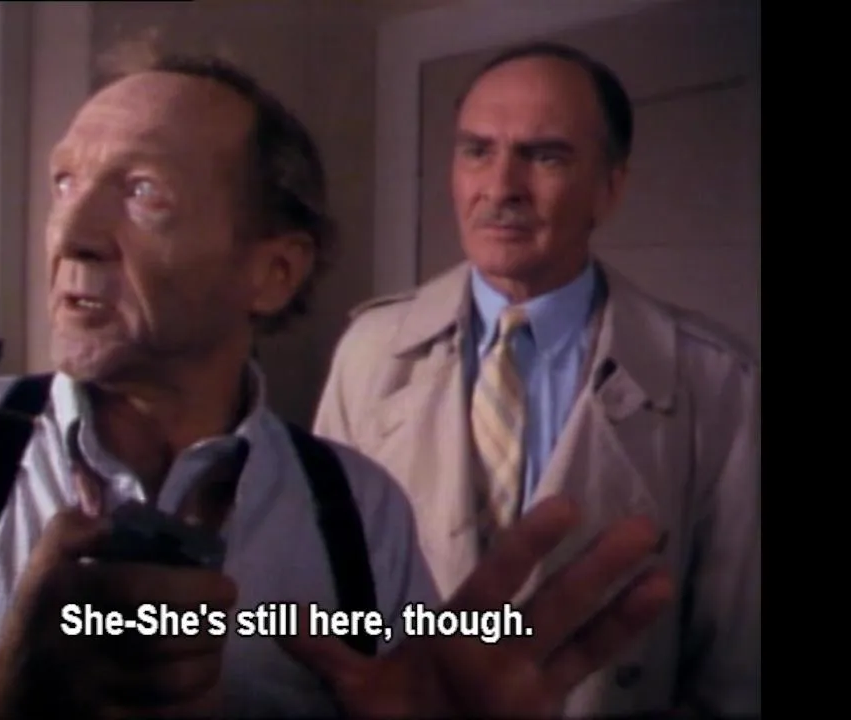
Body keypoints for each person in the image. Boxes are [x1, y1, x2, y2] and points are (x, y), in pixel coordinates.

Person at [0, 45, 675, 719]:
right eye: (64, 183)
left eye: (143, 190)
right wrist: (3, 694)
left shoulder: (362, 510)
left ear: (274, 272)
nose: (71, 232)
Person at [314, 41, 761, 717]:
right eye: (477, 151)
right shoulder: (370, 352)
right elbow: (328, 598)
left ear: (610, 187)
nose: (500, 189)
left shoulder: (716, 379)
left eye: (545, 156)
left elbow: (736, 671)